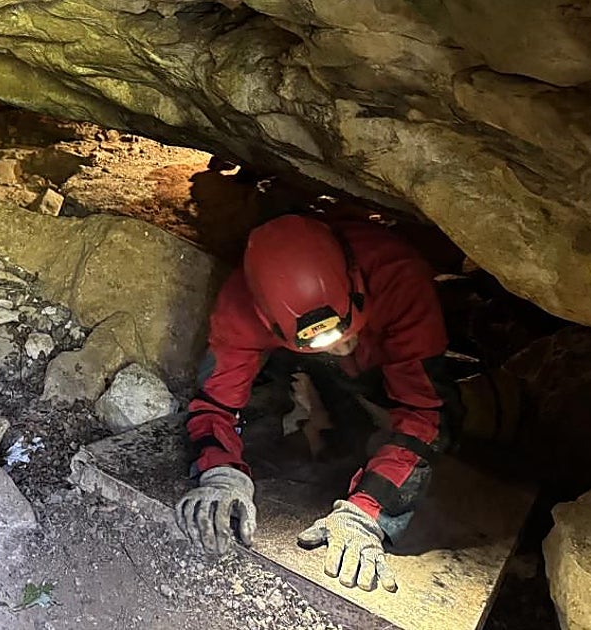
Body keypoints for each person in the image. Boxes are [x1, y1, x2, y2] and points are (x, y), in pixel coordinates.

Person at [174, 213, 464, 593]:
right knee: (294, 398)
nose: (341, 344)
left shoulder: (399, 276)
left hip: (387, 356)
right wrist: (221, 473)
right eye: (324, 339)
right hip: (304, 363)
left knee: (445, 422)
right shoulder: (240, 307)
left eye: (344, 329)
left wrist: (368, 510)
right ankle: (317, 392)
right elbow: (214, 405)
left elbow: (424, 413)